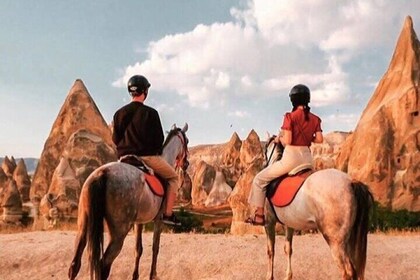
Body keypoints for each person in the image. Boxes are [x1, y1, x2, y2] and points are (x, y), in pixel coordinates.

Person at [246, 84, 323, 225]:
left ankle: (259, 215)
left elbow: (287, 141)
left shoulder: (289, 117)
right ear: (307, 99)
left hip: (291, 158)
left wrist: (278, 139)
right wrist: (307, 137)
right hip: (307, 158)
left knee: (259, 179)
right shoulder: (315, 119)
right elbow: (319, 139)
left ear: (293, 100)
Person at [112, 74, 182, 226]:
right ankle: (168, 214)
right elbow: (159, 141)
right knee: (173, 178)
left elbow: (115, 139)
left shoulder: (119, 114)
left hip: (123, 159)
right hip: (146, 158)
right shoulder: (151, 113)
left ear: (130, 92)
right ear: (145, 91)